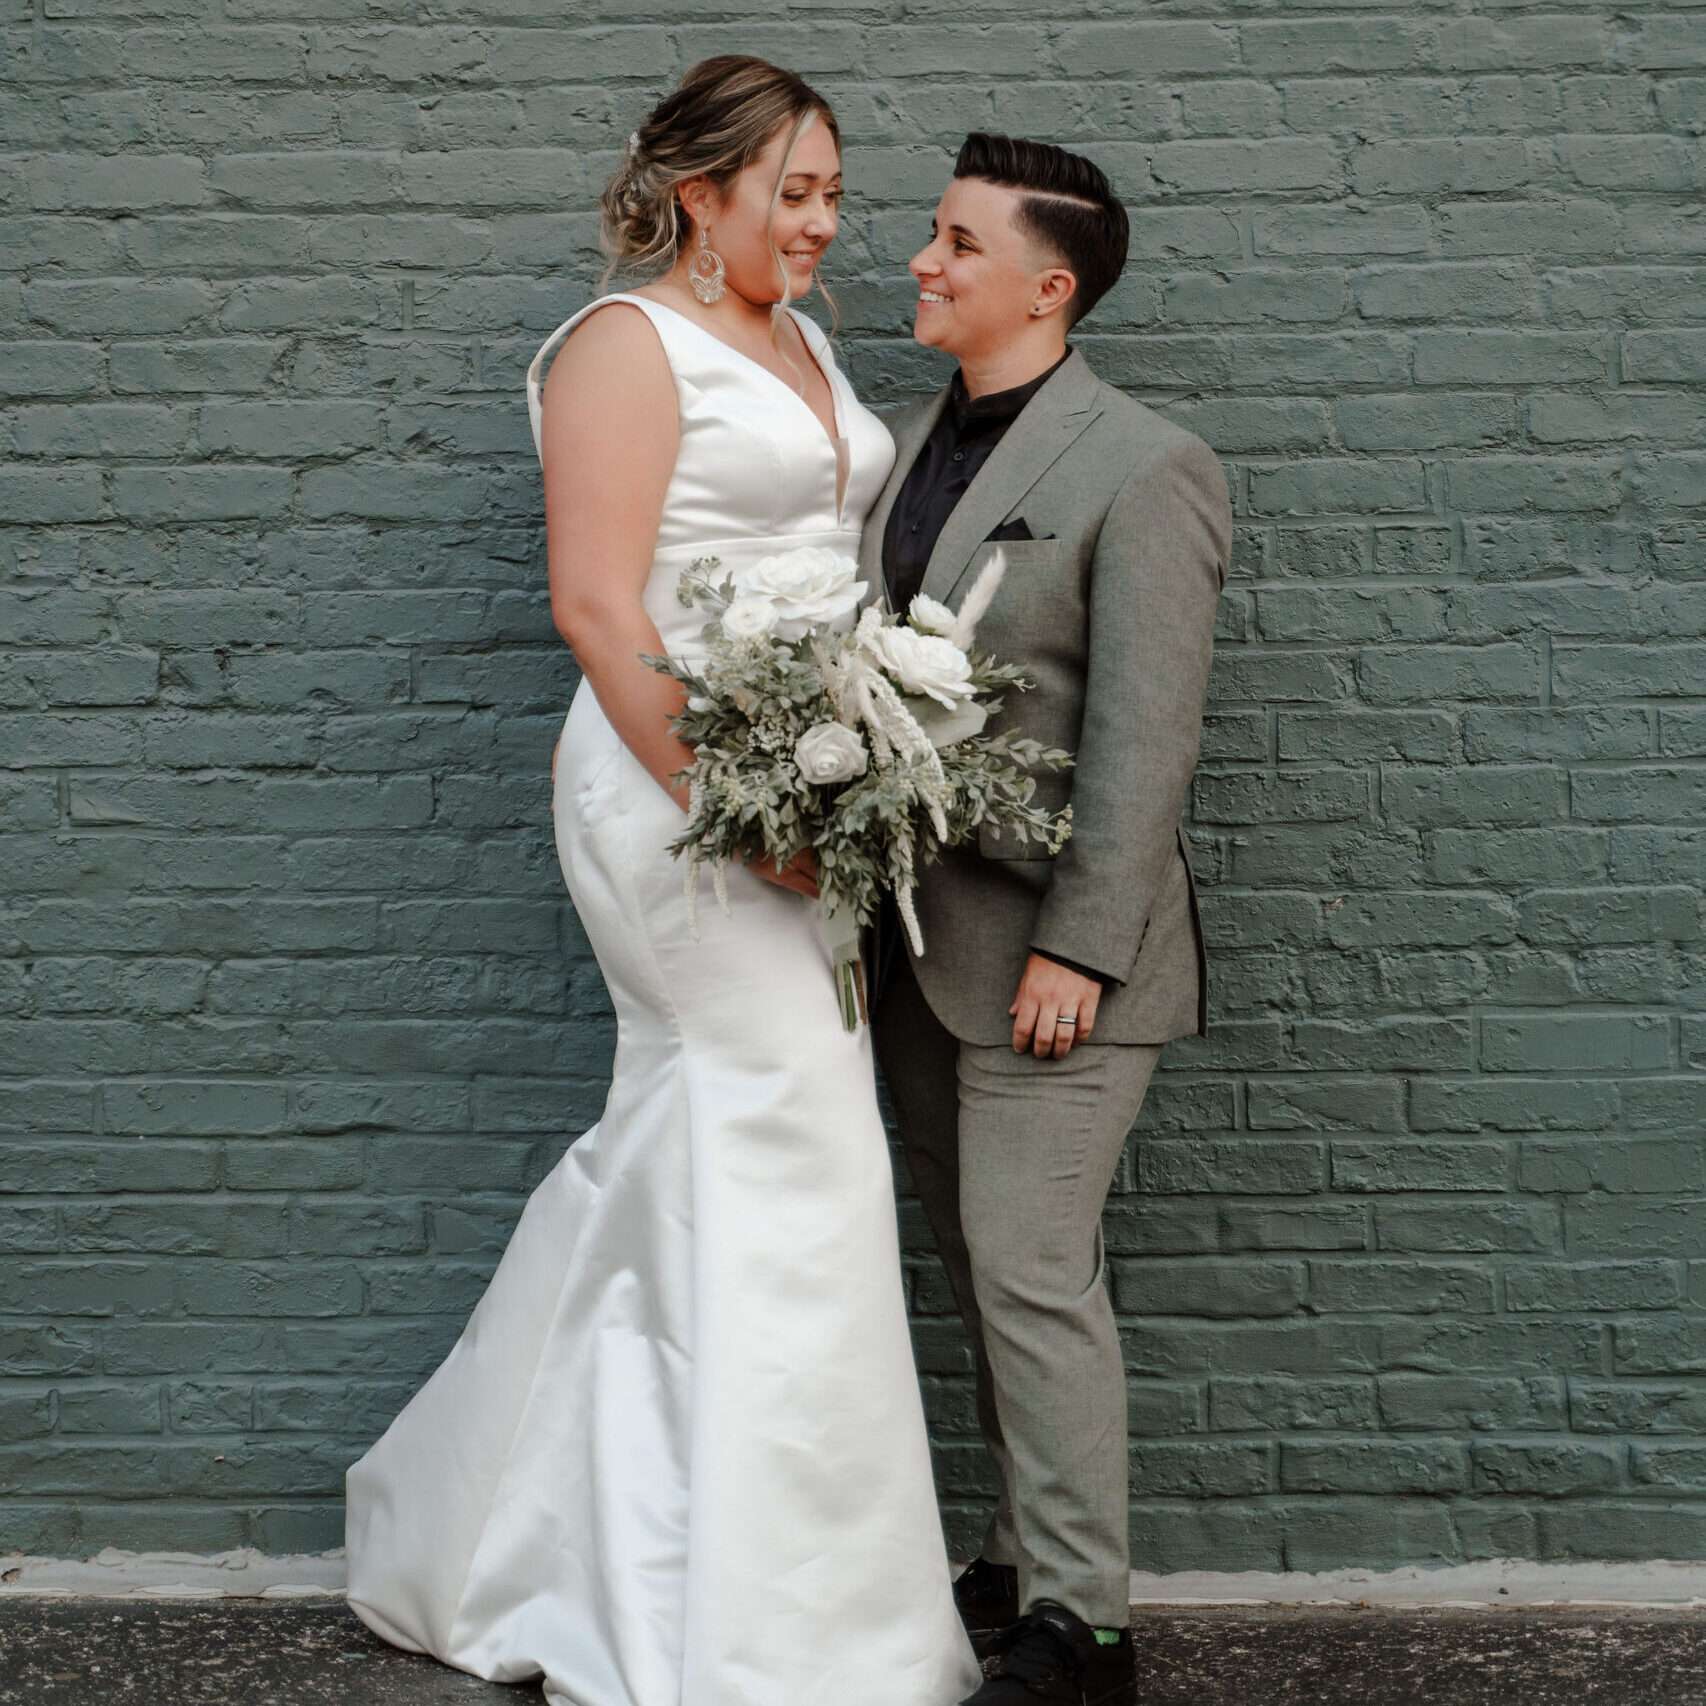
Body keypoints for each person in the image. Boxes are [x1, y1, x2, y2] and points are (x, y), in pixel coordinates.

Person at [342, 56, 981, 1706]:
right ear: (699, 194)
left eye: (836, 191)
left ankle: (614, 1540)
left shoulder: (810, 343)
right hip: (673, 787)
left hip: (805, 781)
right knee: (775, 1122)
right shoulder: (623, 349)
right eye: (796, 192)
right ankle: (755, 1627)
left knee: (728, 1138)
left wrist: (866, 737)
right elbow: (594, 604)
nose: (827, 222)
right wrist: (730, 798)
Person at [861, 134, 1233, 1706]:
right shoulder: (892, 447)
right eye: (929, 237)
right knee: (977, 1262)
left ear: (1048, 284)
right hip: (917, 958)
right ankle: (1017, 1558)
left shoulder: (1144, 465)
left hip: (1056, 967)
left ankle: (1082, 1631)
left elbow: (1149, 734)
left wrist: (1079, 944)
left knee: (1028, 1269)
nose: (921, 263)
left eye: (954, 242)